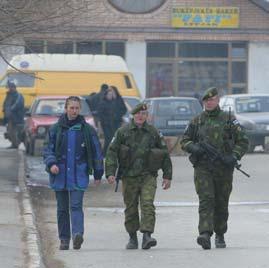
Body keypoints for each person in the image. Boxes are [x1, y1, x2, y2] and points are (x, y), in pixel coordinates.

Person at [180, 87, 249, 250]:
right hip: (203, 168)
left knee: (221, 202)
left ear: (218, 101)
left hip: (224, 169)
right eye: (206, 101)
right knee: (206, 199)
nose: (208, 103)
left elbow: (243, 141)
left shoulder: (229, 119)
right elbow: (184, 141)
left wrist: (234, 156)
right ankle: (205, 233)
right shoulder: (197, 121)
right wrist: (194, 148)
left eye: (211, 100)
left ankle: (220, 234)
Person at [105, 103, 172, 250]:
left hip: (148, 175)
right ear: (133, 115)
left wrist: (168, 176)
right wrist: (110, 172)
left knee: (147, 204)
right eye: (137, 114)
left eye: (143, 114)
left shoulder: (153, 132)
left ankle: (147, 236)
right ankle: (132, 237)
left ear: (147, 116)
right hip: (129, 177)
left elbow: (164, 154)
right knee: (131, 208)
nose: (140, 116)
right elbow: (111, 152)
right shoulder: (123, 132)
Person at [43, 96, 104, 250]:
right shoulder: (56, 129)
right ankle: (64, 239)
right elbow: (47, 149)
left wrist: (98, 174)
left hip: (79, 174)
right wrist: (52, 164)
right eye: (72, 108)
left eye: (77, 108)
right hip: (60, 175)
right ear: (66, 109)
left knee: (76, 206)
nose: (74, 111)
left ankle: (77, 234)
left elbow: (97, 152)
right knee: (62, 209)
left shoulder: (87, 130)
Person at [2, 80, 25, 149]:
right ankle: (14, 144)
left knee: (14, 131)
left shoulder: (19, 96)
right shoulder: (8, 95)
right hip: (9, 117)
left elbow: (17, 105)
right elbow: (6, 103)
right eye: (9, 87)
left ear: (14, 88)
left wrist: (10, 110)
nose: (10, 88)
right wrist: (5, 110)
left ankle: (15, 144)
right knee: (10, 131)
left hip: (16, 117)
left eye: (11, 87)